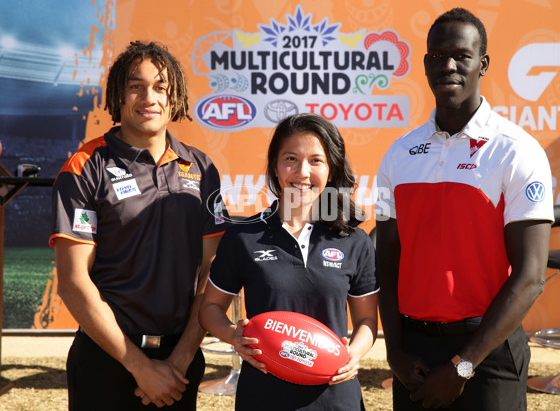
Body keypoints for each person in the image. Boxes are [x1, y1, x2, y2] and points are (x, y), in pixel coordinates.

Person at [375, 7, 554, 411]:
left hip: (488, 351)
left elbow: (530, 277)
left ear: (483, 64)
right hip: (415, 355)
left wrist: (463, 365)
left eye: (461, 55)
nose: (448, 65)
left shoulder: (516, 150)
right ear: (424, 64)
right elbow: (386, 261)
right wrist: (395, 353)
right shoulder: (399, 154)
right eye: (437, 56)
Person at [50, 41, 228, 410]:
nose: (149, 97)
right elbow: (72, 282)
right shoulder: (86, 165)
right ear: (119, 95)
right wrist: (139, 366)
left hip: (180, 361)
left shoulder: (202, 168)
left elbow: (213, 274)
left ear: (174, 97)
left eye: (160, 87)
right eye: (136, 86)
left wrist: (178, 360)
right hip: (106, 360)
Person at [199, 113, 379, 410]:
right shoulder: (244, 236)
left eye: (316, 161)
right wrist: (234, 336)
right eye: (291, 159)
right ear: (274, 166)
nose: (302, 172)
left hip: (335, 397)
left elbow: (367, 321)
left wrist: (353, 355)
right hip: (264, 396)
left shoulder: (354, 240)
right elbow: (209, 309)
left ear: (332, 170)